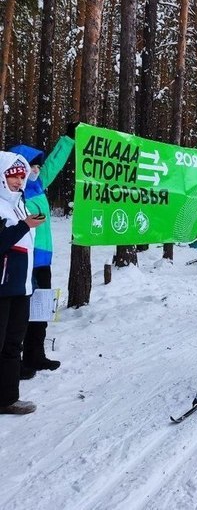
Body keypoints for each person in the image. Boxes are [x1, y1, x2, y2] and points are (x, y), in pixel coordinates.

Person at [10, 136, 74, 376]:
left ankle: (35, 355)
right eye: (32, 166)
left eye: (38, 166)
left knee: (41, 309)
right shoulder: (15, 192)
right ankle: (15, 362)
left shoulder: (37, 185)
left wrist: (68, 140)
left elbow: (54, 165)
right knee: (20, 313)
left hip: (43, 259)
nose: (37, 170)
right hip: (24, 260)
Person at [0, 153, 46, 414]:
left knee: (12, 344)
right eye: (13, 176)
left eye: (21, 176)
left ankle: (7, 398)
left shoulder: (19, 203)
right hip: (2, 287)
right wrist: (23, 226)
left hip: (21, 286)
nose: (19, 181)